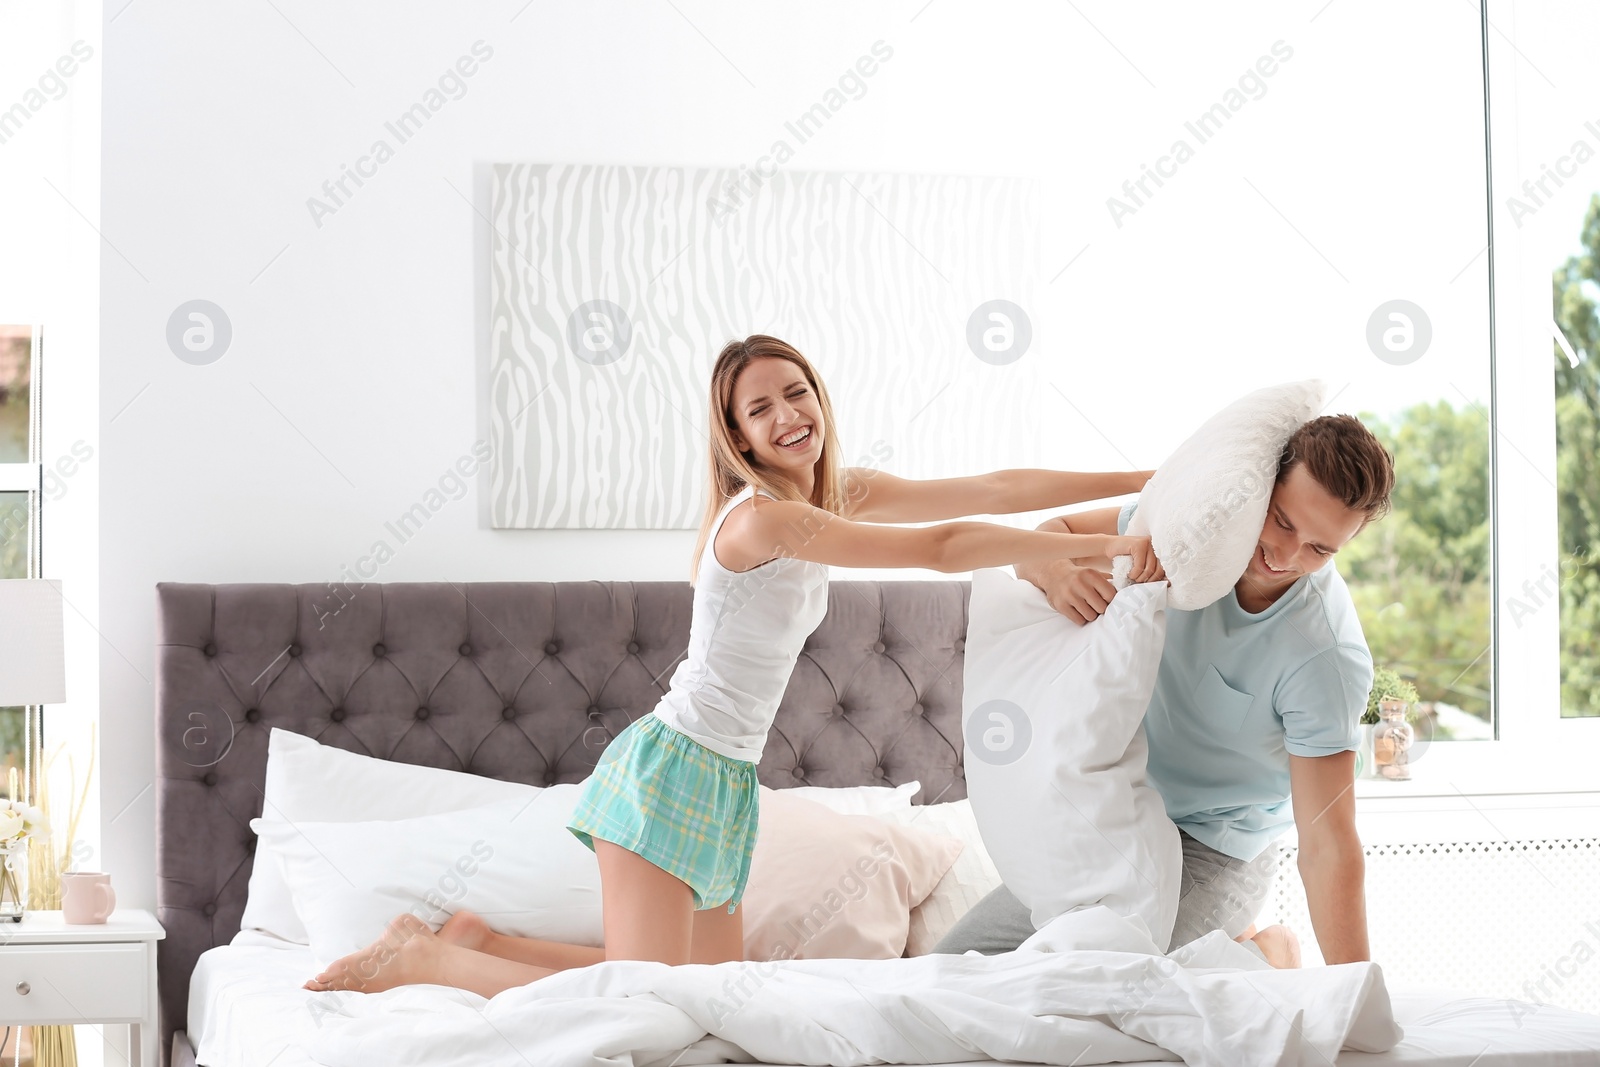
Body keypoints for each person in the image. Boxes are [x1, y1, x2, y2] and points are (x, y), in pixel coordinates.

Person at [303, 333, 1163, 996]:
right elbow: (940, 547)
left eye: (797, 392)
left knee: (710, 996)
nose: (789, 415)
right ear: (740, 438)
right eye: (761, 409)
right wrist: (1117, 540)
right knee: (651, 997)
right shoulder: (761, 520)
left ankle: (479, 942)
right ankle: (424, 960)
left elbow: (992, 490)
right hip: (668, 770)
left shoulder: (825, 492)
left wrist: (1144, 481)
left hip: (726, 782)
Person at [932, 414, 1396, 969]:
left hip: (1217, 849)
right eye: (1282, 522)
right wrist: (1055, 574)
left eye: (1320, 549)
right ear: (1260, 489)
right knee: (947, 970)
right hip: (1114, 815)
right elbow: (1047, 536)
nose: (1287, 557)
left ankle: (1265, 953)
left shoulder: (1326, 657)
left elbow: (1328, 846)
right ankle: (1237, 942)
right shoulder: (1186, 533)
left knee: (1091, 981)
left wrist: (1356, 991)